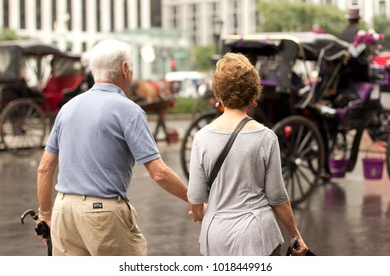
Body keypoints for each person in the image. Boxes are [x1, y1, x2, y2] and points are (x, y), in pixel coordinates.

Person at [36, 39, 188, 256]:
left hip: (64, 211)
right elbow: (159, 173)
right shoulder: (129, 110)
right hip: (103, 214)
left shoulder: (67, 108)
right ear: (125, 69)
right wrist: (193, 199)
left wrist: (46, 215)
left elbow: (44, 168)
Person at [187, 52, 309, 256]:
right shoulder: (266, 137)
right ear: (253, 91)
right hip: (257, 234)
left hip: (216, 235)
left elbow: (196, 199)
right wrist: (296, 235)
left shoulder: (201, 138)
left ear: (218, 92)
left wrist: (202, 211)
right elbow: (278, 198)